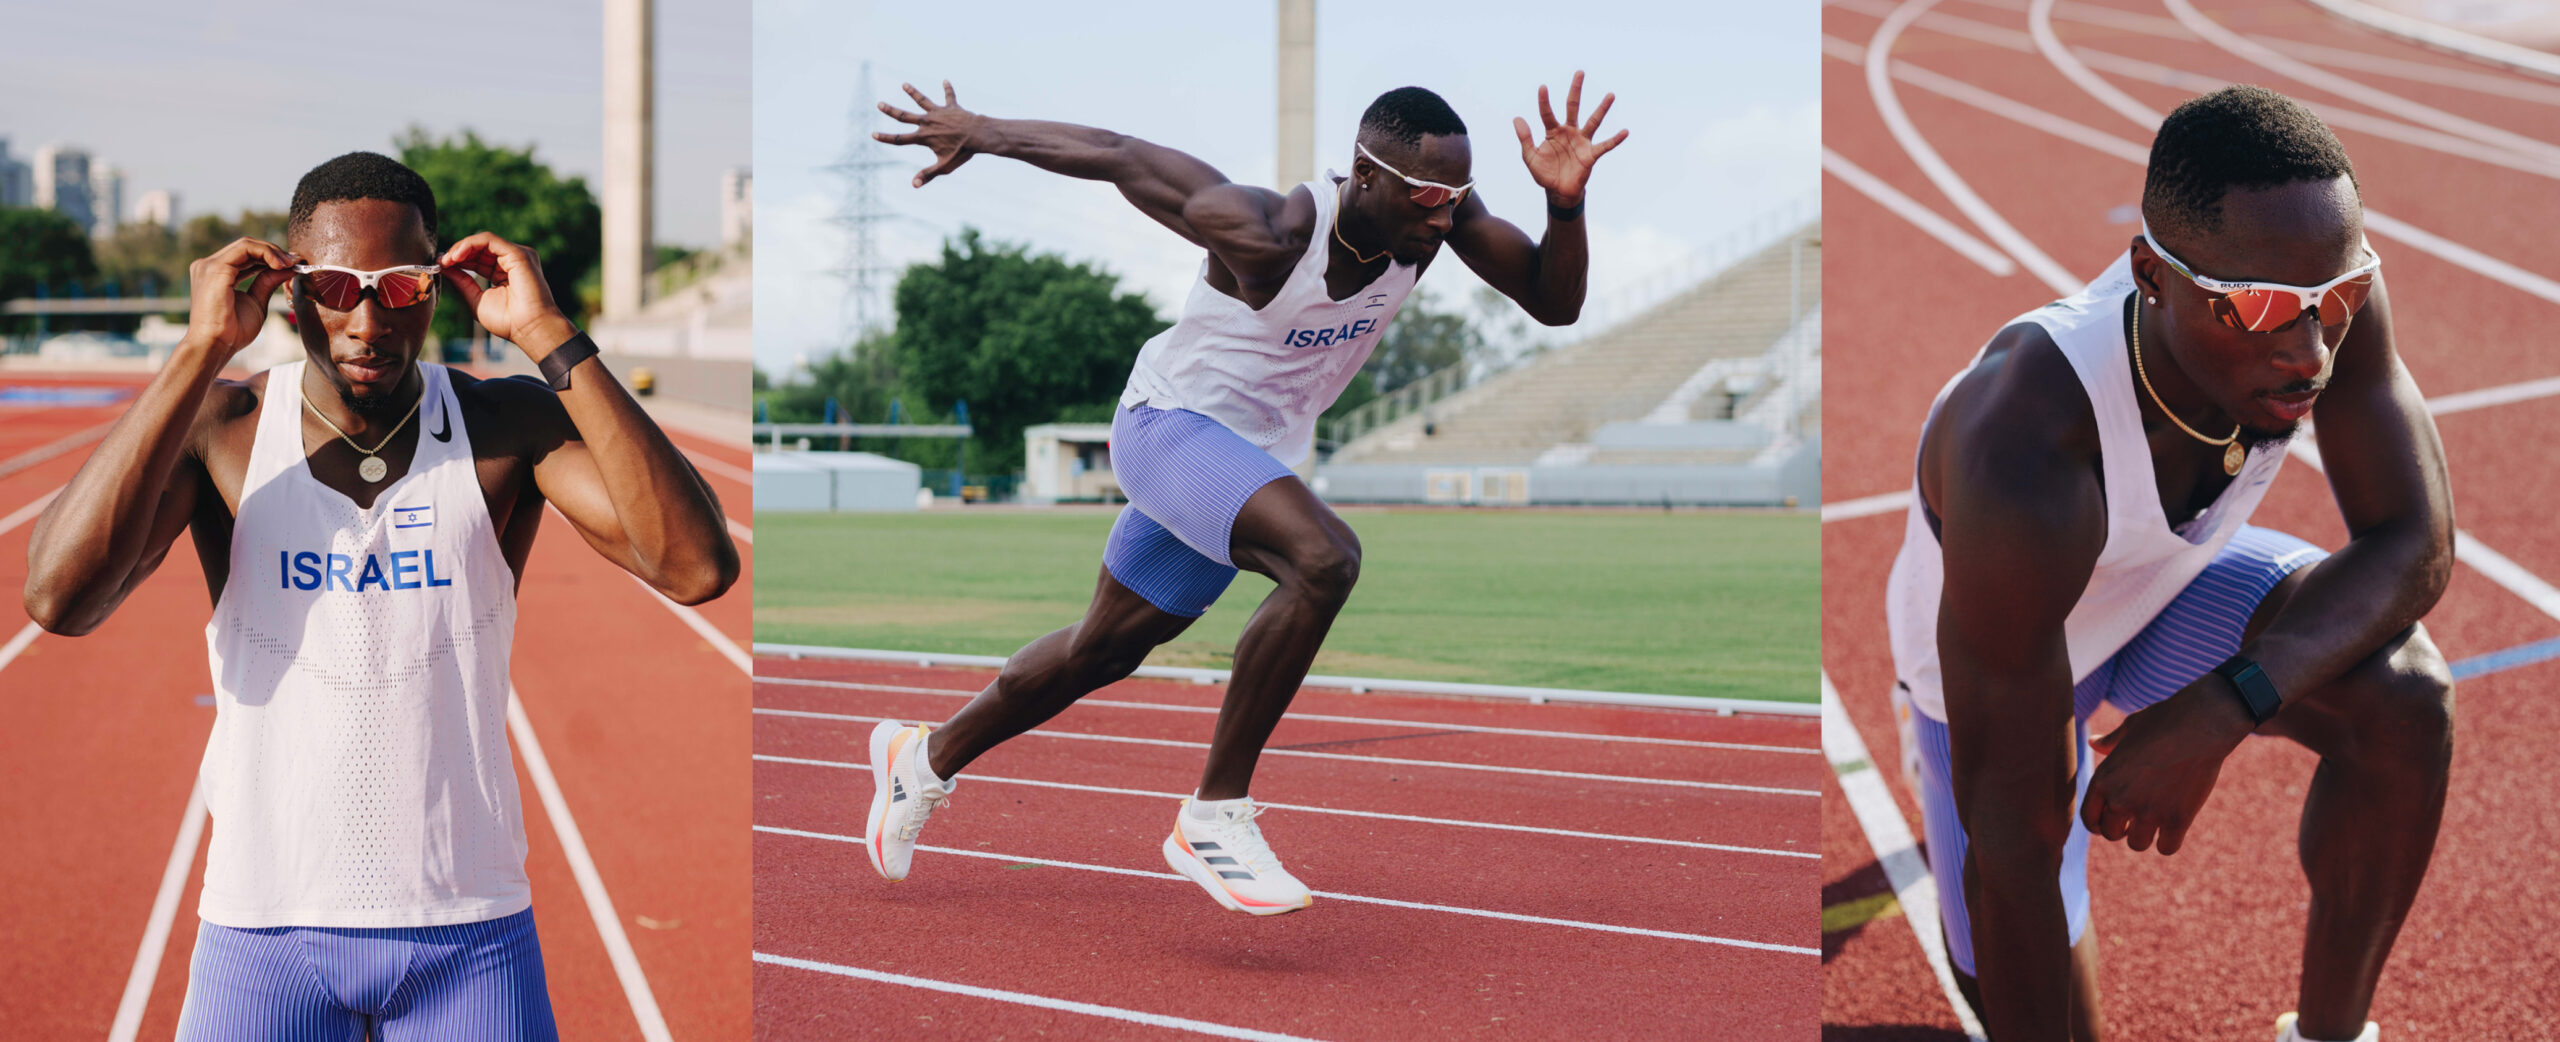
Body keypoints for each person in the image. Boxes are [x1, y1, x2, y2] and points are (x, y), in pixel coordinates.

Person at [862, 75, 1625, 914]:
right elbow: (1120, 156)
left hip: (1250, 458)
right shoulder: (1268, 229)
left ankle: (923, 758)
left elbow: (1556, 304)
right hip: (1168, 428)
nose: (1443, 218)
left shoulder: (1433, 227)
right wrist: (982, 129)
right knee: (1323, 560)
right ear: (1366, 177)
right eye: (1426, 198)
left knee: (1102, 650)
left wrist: (1564, 206)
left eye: (1455, 198)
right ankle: (1214, 815)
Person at [22, 151, 740, 1039]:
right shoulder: (227, 430)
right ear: (291, 292)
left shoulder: (503, 425)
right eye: (334, 286)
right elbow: (59, 598)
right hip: (263, 929)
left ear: (438, 288)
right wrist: (197, 350)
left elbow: (696, 567)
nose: (367, 320)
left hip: (467, 932)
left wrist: (551, 333)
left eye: (398, 287)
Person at [1884, 86, 2454, 1042]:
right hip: (2011, 648)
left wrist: (2226, 705)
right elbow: (2015, 860)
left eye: (2339, 298)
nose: (2309, 349)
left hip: (2163, 596)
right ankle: (1927, 747)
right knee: (2033, 965)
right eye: (2262, 308)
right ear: (2151, 274)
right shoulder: (2024, 446)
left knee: (2408, 696)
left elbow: (2414, 539)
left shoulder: (2315, 291)